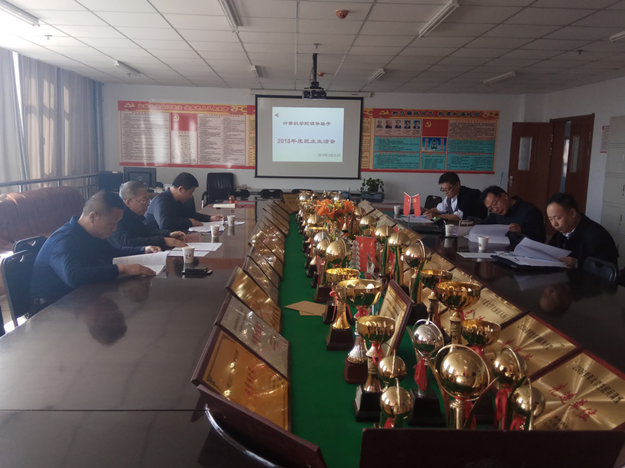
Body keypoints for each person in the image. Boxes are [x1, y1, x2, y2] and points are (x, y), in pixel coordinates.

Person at [30, 191, 159, 308]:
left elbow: (112, 252)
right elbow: (73, 276)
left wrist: (142, 250)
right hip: (51, 307)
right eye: (111, 223)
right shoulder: (64, 240)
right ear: (92, 217)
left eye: (116, 223)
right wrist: (120, 269)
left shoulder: (91, 233)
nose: (114, 229)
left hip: (80, 297)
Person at [546, 192, 619, 269]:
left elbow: (606, 268)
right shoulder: (560, 233)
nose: (554, 224)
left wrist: (577, 264)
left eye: (558, 218)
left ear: (572, 213)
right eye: (550, 219)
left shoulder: (597, 235)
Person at [109, 181, 187, 249]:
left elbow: (148, 231)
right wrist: (162, 241)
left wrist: (169, 234)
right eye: (144, 200)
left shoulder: (135, 216)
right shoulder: (117, 217)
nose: (148, 204)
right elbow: (126, 242)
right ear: (128, 202)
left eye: (148, 200)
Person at [145, 172, 223, 231]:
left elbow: (189, 214)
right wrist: (189, 222)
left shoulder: (175, 200)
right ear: (181, 189)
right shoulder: (162, 201)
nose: (191, 196)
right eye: (190, 192)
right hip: (157, 242)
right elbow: (165, 224)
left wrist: (209, 218)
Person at [480, 186, 546, 242]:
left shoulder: (530, 211)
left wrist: (521, 230)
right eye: (491, 209)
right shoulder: (496, 214)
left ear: (504, 196)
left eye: (494, 204)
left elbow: (541, 238)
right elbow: (483, 225)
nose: (495, 209)